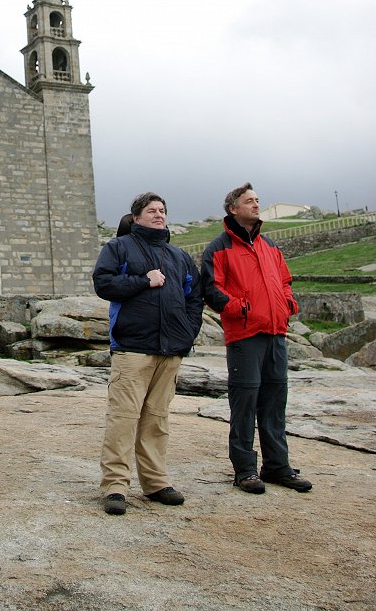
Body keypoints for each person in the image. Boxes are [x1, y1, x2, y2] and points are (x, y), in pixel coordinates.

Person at [93, 192, 203, 515]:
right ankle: (115, 485)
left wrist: (187, 332)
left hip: (170, 350)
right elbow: (104, 284)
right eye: (152, 210)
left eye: (163, 210)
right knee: (123, 418)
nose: (159, 214)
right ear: (137, 217)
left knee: (157, 418)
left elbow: (194, 296)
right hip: (131, 348)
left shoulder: (179, 256)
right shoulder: (118, 248)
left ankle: (155, 482)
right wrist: (143, 280)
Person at [201, 182, 312, 494]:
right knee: (245, 404)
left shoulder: (270, 245)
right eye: (249, 201)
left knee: (275, 404)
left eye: (257, 200)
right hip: (245, 336)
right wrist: (240, 309)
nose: (256, 204)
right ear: (233, 209)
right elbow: (211, 290)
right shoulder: (218, 248)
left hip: (276, 333)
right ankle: (246, 470)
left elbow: (286, 280)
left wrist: (288, 303)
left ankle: (277, 467)